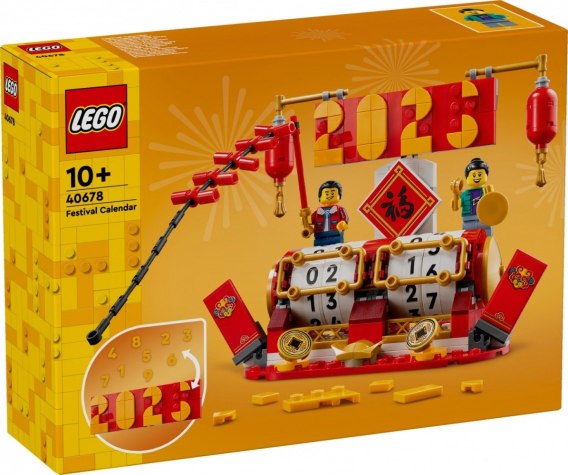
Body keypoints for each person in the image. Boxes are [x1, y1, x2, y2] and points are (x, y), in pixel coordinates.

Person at [451, 158, 495, 236]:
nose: (476, 177)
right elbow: (455, 207)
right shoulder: (464, 194)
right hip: (468, 220)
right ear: (467, 177)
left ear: (486, 175)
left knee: (486, 238)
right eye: (473, 175)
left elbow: (494, 204)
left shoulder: (487, 190)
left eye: (480, 174)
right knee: (468, 238)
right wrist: (455, 194)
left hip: (484, 219)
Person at [310, 180, 349, 246]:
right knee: (318, 247)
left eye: (333, 194)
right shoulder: (318, 212)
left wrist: (343, 223)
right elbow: (310, 220)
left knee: (336, 246)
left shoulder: (339, 209)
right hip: (319, 236)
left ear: (339, 196)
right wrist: (306, 218)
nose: (329, 196)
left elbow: (345, 218)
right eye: (327, 194)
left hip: (336, 234)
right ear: (320, 197)